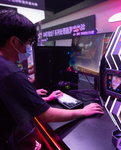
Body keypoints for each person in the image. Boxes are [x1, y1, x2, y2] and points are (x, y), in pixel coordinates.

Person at [0, 10, 104, 149]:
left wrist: (41, 100)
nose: (29, 47)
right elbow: (47, 116)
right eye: (29, 42)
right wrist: (84, 111)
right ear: (13, 41)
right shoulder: (10, 73)